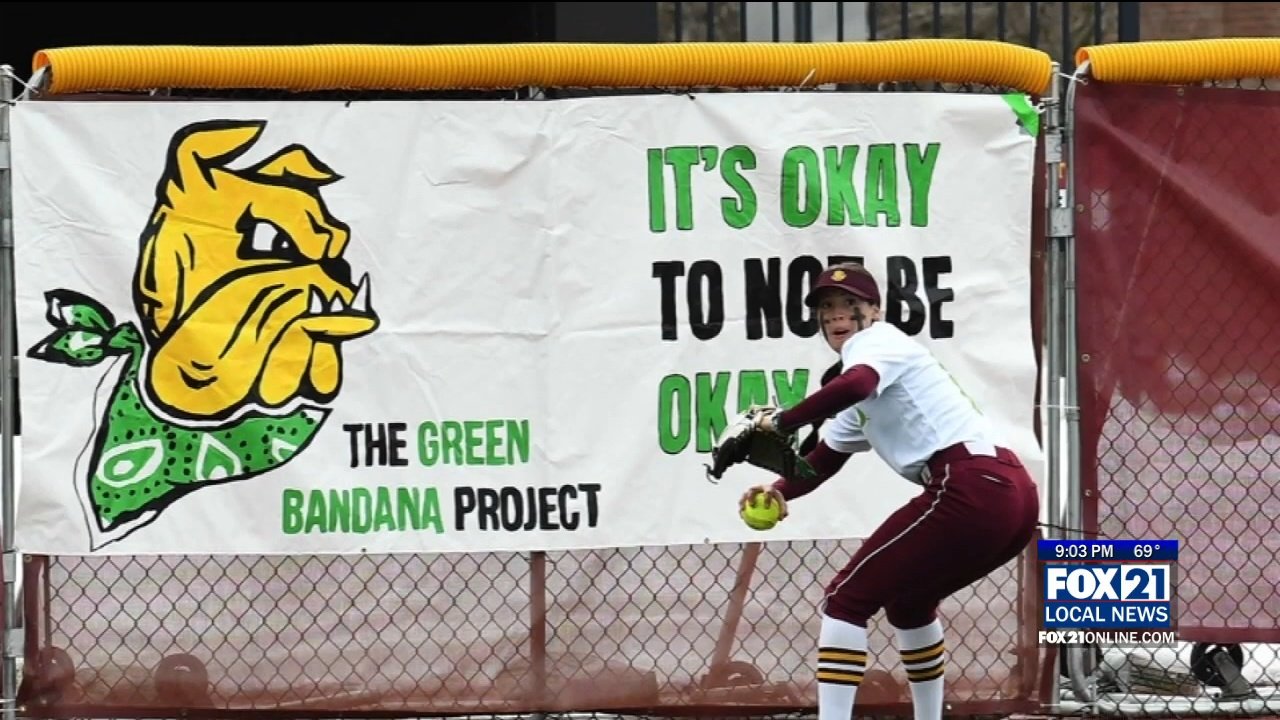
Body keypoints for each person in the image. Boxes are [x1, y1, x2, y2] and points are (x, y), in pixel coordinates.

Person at [738, 261, 1040, 720]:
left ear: (874, 310)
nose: (837, 316)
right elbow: (823, 462)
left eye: (849, 305)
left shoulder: (878, 342)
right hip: (1007, 493)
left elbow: (856, 381)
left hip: (970, 483)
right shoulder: (859, 392)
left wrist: (782, 421)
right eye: (827, 308)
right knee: (910, 603)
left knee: (846, 599)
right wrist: (780, 489)